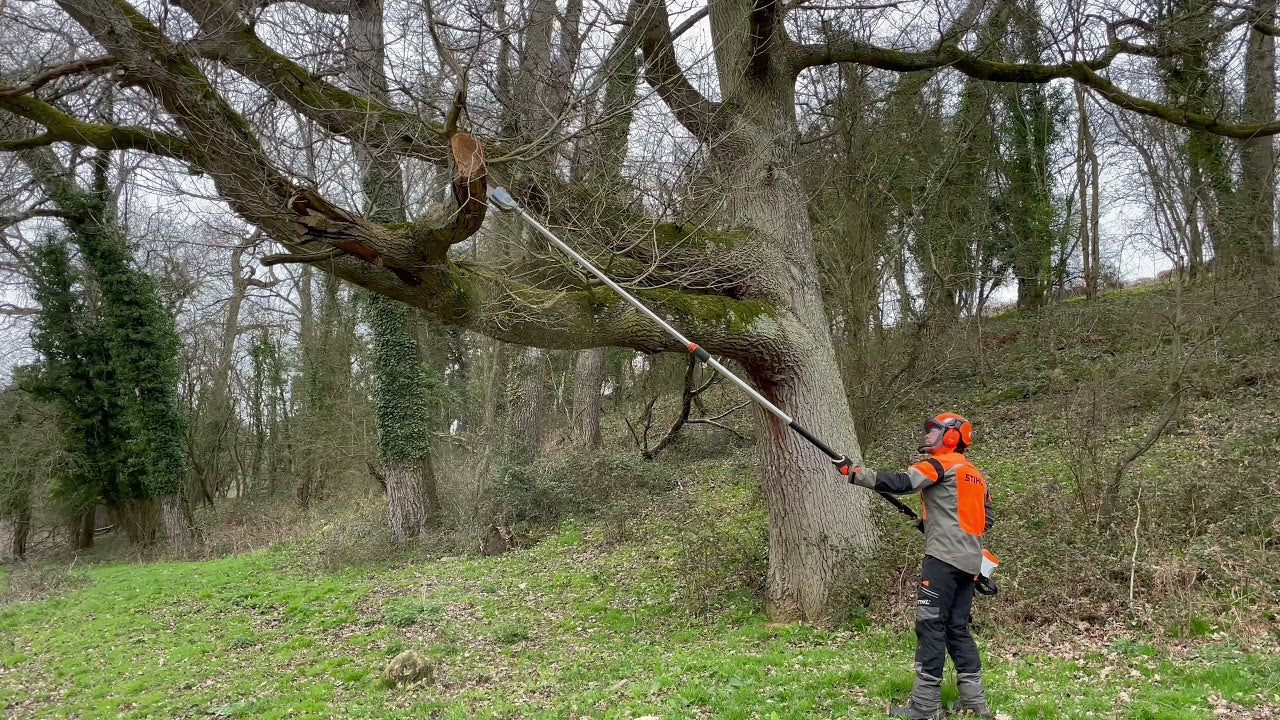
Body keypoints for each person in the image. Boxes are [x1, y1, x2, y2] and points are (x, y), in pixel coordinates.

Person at [833, 413, 994, 719]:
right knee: (957, 629)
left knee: (931, 626)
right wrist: (932, 522)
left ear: (951, 438)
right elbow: (985, 520)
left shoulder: (941, 463)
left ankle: (924, 708)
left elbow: (903, 482)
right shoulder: (976, 475)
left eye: (935, 431)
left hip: (943, 561)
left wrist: (854, 472)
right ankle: (975, 704)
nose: (928, 435)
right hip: (970, 564)